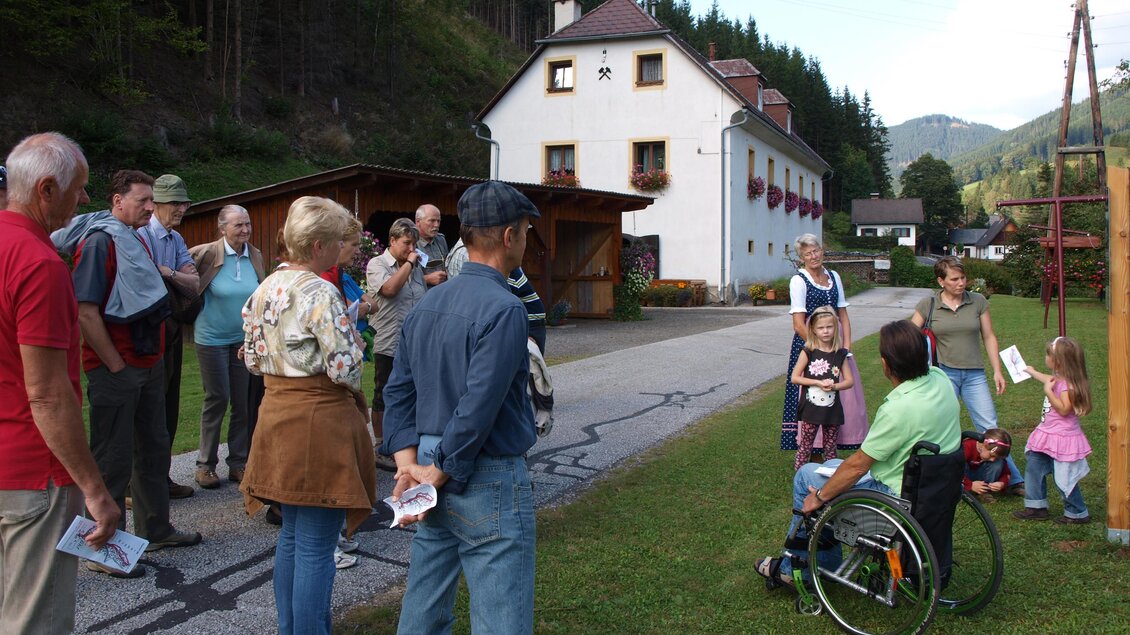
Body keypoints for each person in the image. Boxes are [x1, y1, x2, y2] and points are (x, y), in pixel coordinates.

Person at [383, 181, 539, 635]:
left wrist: (409, 465)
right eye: (527, 231)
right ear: (509, 236)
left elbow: (398, 392)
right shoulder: (507, 308)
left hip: (432, 464)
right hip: (482, 470)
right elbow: (479, 405)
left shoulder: (429, 302)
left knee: (426, 602)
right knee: (500, 613)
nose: (526, 241)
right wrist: (438, 470)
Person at [52, 169, 202, 577]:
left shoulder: (133, 237)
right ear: (117, 200)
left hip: (147, 363)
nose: (151, 208)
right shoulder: (101, 241)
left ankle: (156, 529)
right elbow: (85, 312)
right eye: (142, 200)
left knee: (153, 449)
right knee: (112, 459)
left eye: (152, 200)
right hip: (117, 368)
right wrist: (114, 364)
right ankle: (103, 551)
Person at [240, 196, 376, 635]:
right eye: (338, 242)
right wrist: (353, 343)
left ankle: (290, 629)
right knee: (316, 544)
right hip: (317, 420)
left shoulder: (265, 288)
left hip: (277, 413)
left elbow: (251, 359)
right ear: (318, 245)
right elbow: (346, 368)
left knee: (294, 537)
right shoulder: (320, 291)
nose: (342, 249)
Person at [0, 132, 119, 633]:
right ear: (46, 190)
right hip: (32, 472)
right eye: (80, 187)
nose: (85, 199)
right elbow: (47, 394)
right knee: (34, 620)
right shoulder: (39, 262)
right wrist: (95, 489)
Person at [757, 320, 961, 587]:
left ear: (886, 364)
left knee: (807, 475)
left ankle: (804, 570)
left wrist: (819, 496)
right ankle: (820, 558)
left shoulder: (899, 409)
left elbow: (858, 466)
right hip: (936, 486)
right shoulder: (940, 379)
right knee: (830, 463)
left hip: (893, 497)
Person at [911, 256, 1025, 495]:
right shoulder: (928, 304)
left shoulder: (978, 301)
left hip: (974, 374)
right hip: (943, 375)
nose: (961, 283)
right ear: (941, 281)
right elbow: (909, 336)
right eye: (954, 279)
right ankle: (943, 478)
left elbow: (989, 336)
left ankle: (1013, 480)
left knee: (989, 427)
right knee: (941, 426)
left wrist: (997, 370)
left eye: (963, 277)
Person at [188, 205, 266, 488]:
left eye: (247, 224)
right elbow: (186, 283)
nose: (244, 230)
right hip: (211, 338)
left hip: (243, 339)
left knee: (243, 402)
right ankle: (205, 465)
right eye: (238, 225)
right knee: (217, 397)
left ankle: (238, 462)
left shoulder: (254, 255)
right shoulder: (205, 253)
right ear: (222, 229)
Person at [137, 173, 199, 500]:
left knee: (168, 407)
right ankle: (140, 484)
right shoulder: (141, 236)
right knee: (149, 409)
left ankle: (161, 476)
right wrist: (175, 275)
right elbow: (145, 282)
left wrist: (168, 273)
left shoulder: (175, 240)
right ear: (157, 204)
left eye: (184, 202)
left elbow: (194, 281)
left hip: (170, 331)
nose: (181, 208)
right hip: (148, 333)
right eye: (175, 203)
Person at [781, 234, 868, 455]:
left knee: (839, 394)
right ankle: (810, 447)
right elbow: (798, 324)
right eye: (808, 253)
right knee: (812, 394)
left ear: (822, 251)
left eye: (816, 250)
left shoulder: (834, 276)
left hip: (835, 346)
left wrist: (845, 348)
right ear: (801, 258)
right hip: (810, 348)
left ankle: (833, 445)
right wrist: (819, 347)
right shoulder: (798, 281)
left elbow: (843, 316)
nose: (813, 256)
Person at [366, 218, 427, 471]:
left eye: (414, 244)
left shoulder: (415, 267)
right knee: (384, 394)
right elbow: (390, 289)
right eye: (406, 243)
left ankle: (406, 441)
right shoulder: (377, 264)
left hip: (414, 342)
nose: (411, 249)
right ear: (392, 241)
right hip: (388, 340)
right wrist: (410, 264)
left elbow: (422, 295)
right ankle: (380, 446)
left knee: (412, 392)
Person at [1013, 337, 1094, 524]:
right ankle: (1036, 506)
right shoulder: (1059, 379)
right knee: (1034, 467)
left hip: (1063, 439)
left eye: (1048, 354)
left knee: (1065, 478)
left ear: (1059, 361)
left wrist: (1048, 392)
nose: (1045, 357)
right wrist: (1031, 372)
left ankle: (1077, 513)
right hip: (1048, 435)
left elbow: (1065, 409)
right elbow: (1049, 379)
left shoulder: (1068, 386)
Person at [448, 241, 547, 354]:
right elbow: (495, 301)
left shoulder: (463, 252)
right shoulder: (471, 255)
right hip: (519, 330)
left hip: (526, 327)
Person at [789, 306, 854, 471]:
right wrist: (817, 383)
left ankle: (831, 476)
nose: (825, 331)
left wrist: (834, 386)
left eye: (829, 327)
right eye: (821, 327)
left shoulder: (840, 354)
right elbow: (795, 378)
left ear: (835, 327)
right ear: (813, 330)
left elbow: (849, 381)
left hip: (832, 410)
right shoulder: (808, 351)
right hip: (811, 409)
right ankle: (800, 475)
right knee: (806, 444)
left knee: (831, 447)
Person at [963, 428, 1012, 503]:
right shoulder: (968, 446)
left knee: (998, 464)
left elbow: (1006, 473)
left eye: (996, 457)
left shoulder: (993, 457)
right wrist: (970, 485)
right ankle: (962, 491)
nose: (993, 459)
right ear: (983, 444)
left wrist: (1002, 483)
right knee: (960, 464)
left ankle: (983, 492)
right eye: (991, 455)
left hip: (980, 478)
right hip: (962, 478)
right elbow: (951, 470)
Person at [415, 203, 449, 287]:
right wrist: (427, 279)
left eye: (438, 221)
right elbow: (403, 280)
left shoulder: (441, 239)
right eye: (432, 221)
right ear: (418, 222)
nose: (436, 225)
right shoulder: (410, 243)